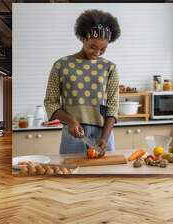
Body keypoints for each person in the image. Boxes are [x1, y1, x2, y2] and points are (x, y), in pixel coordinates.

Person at [44, 9, 121, 156]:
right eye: (93, 46)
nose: (97, 53)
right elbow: (51, 102)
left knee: (107, 176)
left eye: (103, 49)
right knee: (73, 176)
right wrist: (70, 121)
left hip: (103, 135)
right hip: (73, 135)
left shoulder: (110, 68)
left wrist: (104, 138)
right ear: (83, 38)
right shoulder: (61, 66)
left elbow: (113, 106)